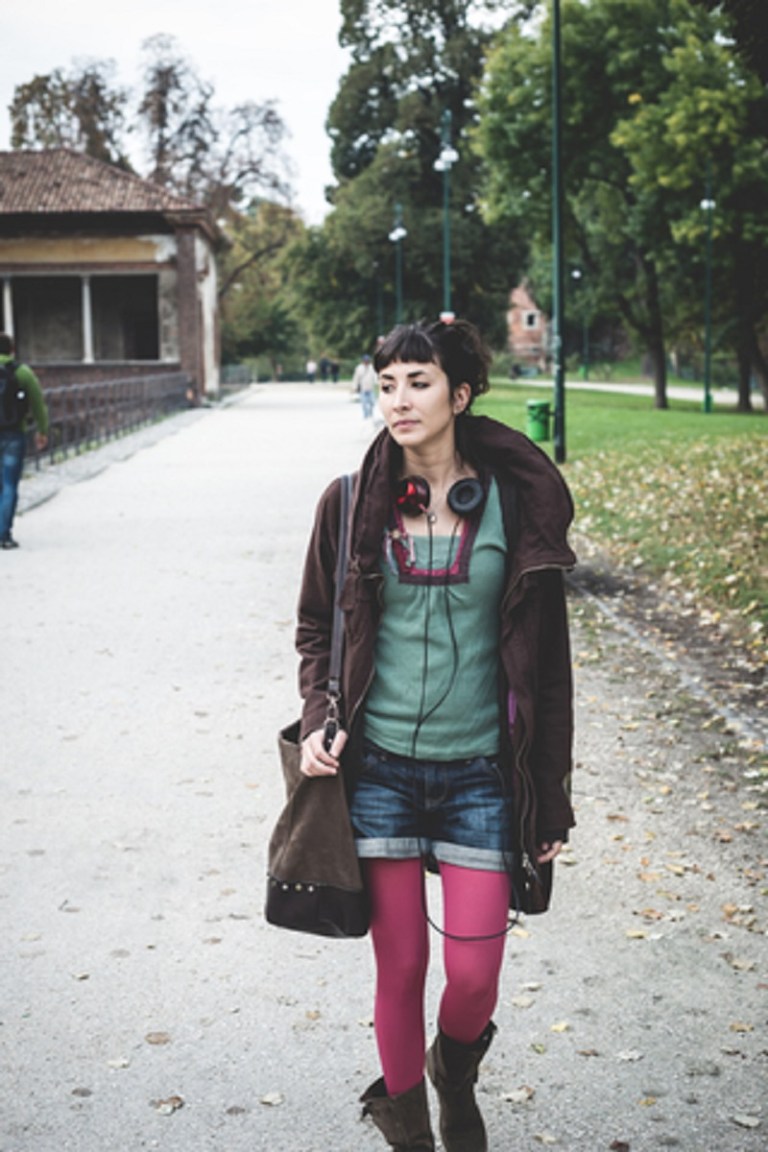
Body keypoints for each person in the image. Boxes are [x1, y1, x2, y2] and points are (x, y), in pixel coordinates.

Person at [294, 318, 575, 1151]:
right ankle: (411, 1126)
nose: (399, 401)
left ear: (459, 394)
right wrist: (319, 718)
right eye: (386, 384)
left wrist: (550, 795)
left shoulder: (514, 507)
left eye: (418, 382)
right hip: (378, 768)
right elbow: (315, 628)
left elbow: (547, 665)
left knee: (475, 977)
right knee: (403, 967)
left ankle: (454, 1068)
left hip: (482, 773)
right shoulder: (348, 504)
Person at [0, 334, 49, 550]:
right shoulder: (22, 372)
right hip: (14, 433)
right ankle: (4, 534)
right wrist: (42, 430)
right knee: (9, 484)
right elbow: (38, 403)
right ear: (12, 350)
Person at [352, 352, 378, 420]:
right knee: (364, 403)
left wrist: (378, 383)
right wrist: (354, 387)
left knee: (372, 402)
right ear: (363, 361)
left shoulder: (372, 368)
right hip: (363, 388)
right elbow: (356, 378)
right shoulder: (359, 368)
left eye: (367, 361)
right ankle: (366, 416)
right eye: (365, 361)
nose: (366, 362)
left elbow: (375, 376)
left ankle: (370, 413)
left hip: (371, 388)